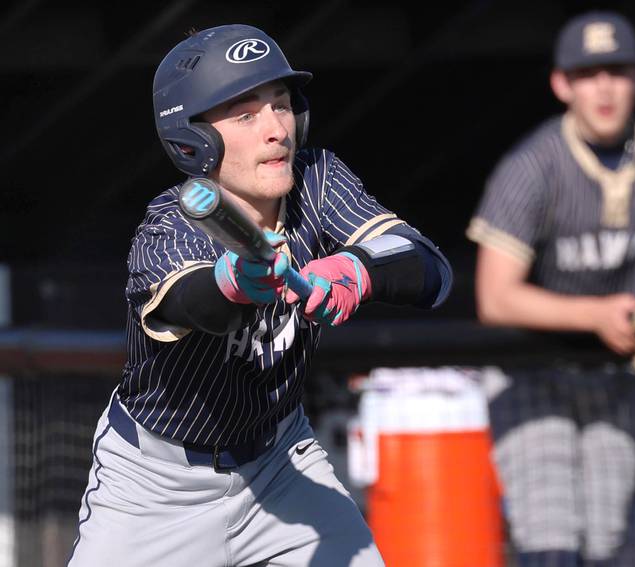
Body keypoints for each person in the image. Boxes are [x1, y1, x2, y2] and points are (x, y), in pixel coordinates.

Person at [67, 24, 452, 567]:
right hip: (156, 489)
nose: (277, 129)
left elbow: (430, 269)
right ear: (192, 138)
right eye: (246, 115)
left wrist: (356, 269)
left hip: (281, 466)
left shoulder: (317, 180)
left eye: (281, 105)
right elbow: (191, 301)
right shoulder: (168, 223)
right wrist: (235, 283)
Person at [466, 11, 635, 567]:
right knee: (551, 540)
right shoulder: (533, 165)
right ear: (562, 84)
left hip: (614, 376)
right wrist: (593, 313)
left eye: (617, 70)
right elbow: (494, 297)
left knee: (607, 541)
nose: (604, 87)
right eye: (588, 74)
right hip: (532, 372)